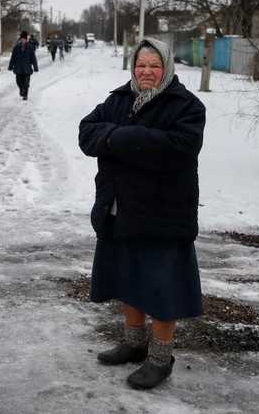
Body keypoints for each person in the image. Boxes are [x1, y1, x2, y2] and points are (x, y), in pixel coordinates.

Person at [78, 37, 206, 391]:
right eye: (140, 65)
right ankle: (134, 344)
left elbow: (176, 150)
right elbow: (86, 134)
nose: (146, 72)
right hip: (120, 208)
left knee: (163, 287)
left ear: (166, 68)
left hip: (162, 214)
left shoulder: (186, 106)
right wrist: (132, 140)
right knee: (127, 277)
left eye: (154, 66)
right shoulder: (118, 99)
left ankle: (161, 359)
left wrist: (116, 139)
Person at [8, 30, 39, 100]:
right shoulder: (16, 48)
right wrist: (10, 66)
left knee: (26, 82)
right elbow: (13, 58)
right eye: (22, 39)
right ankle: (21, 89)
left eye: (24, 39)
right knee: (18, 81)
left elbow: (33, 58)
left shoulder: (30, 48)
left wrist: (35, 67)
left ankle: (25, 95)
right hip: (18, 68)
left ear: (26, 39)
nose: (23, 40)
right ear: (20, 39)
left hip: (27, 68)